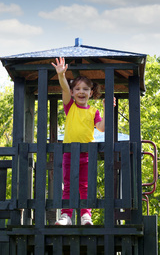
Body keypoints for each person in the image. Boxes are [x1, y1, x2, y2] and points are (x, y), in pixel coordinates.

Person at [52, 57, 115, 226]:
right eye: (77, 89)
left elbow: (101, 128)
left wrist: (108, 108)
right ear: (72, 93)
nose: (81, 91)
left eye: (85, 89)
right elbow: (64, 88)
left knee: (85, 186)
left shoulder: (93, 111)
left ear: (91, 93)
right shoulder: (70, 106)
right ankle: (66, 215)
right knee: (69, 186)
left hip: (87, 155)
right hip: (69, 154)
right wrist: (61, 75)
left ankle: (86, 215)